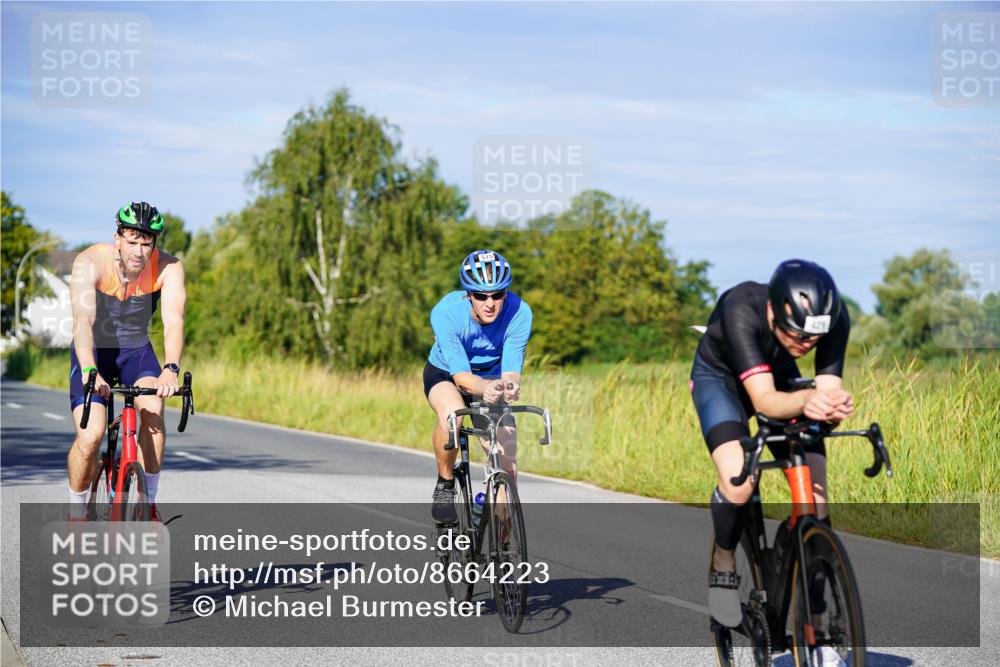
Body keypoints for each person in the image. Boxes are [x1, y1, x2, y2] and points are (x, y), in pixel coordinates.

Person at [691, 259, 851, 665]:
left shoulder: (834, 318)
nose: (805, 345)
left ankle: (817, 631)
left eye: (813, 339)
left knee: (815, 502)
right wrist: (809, 400)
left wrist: (832, 404)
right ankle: (724, 559)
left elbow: (826, 388)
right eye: (795, 335)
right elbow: (764, 402)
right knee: (739, 482)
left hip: (781, 380)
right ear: (772, 311)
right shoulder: (741, 307)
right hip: (723, 381)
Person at [67, 202, 186, 521]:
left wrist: (170, 369)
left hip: (136, 351)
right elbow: (82, 322)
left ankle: (148, 506)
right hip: (94, 351)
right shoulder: (89, 262)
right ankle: (76, 513)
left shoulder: (169, 268)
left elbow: (174, 321)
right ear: (117, 237)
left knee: (154, 412)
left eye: (147, 242)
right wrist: (91, 369)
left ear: (155, 243)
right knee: (91, 435)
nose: (139, 249)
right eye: (132, 240)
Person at [424, 250, 533, 524]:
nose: (490, 303)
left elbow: (511, 369)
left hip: (492, 377)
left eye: (497, 295)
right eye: (481, 295)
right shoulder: (446, 313)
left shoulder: (520, 313)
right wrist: (485, 387)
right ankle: (445, 485)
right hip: (447, 373)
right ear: (468, 294)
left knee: (507, 460)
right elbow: (461, 376)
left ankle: (502, 550)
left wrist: (509, 386)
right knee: (452, 416)